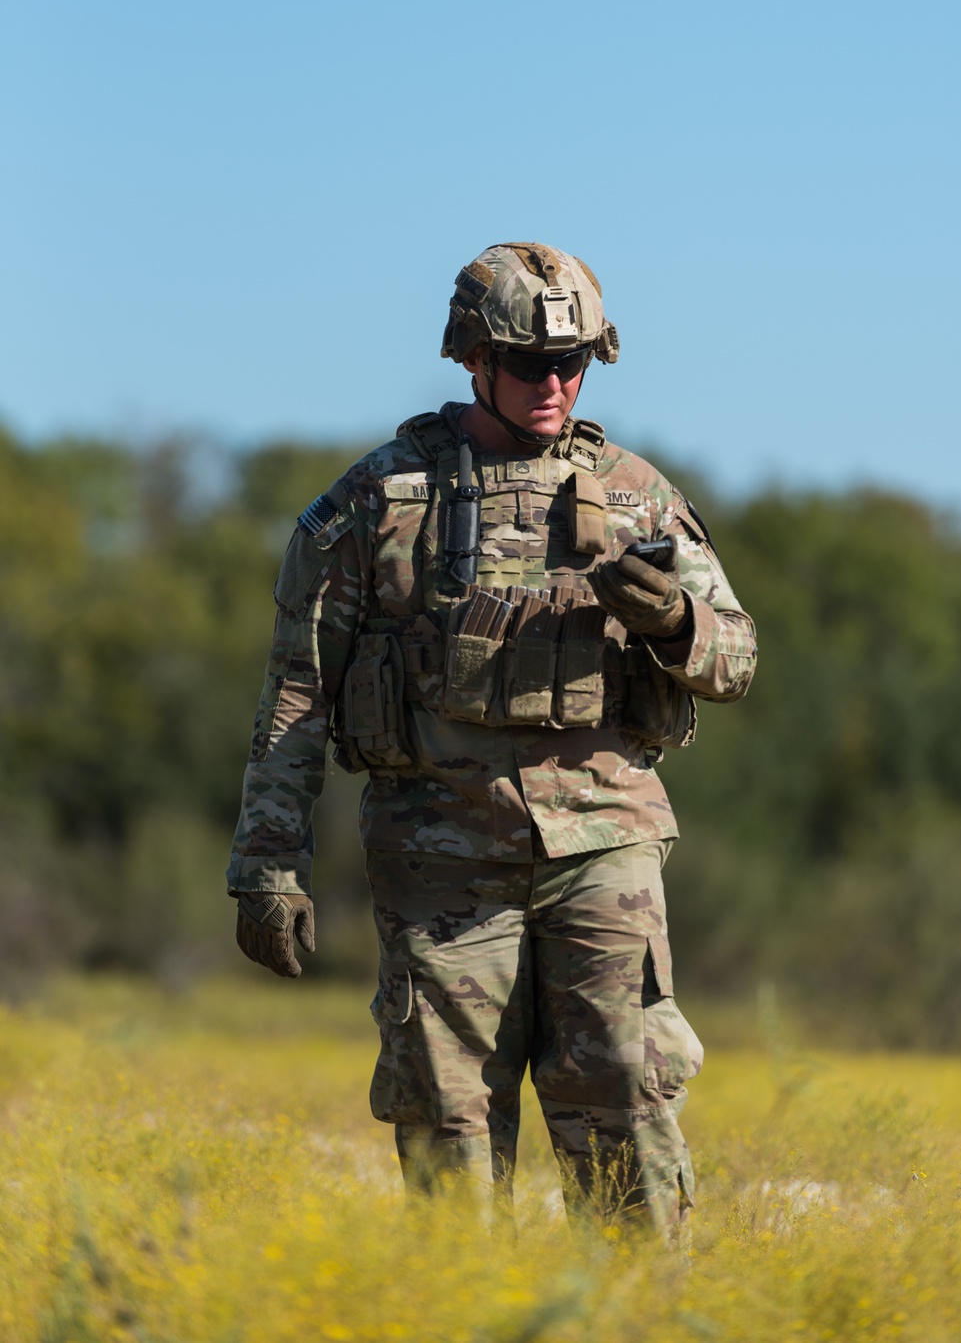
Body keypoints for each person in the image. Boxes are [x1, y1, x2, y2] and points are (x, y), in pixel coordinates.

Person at [228, 242, 756, 1230]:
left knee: (626, 1118)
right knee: (449, 1141)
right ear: (473, 358)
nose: (554, 384)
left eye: (574, 364)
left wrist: (670, 621)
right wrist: (267, 865)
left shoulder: (635, 494)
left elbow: (734, 661)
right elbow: (297, 690)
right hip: (440, 868)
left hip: (603, 854)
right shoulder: (376, 503)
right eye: (528, 363)